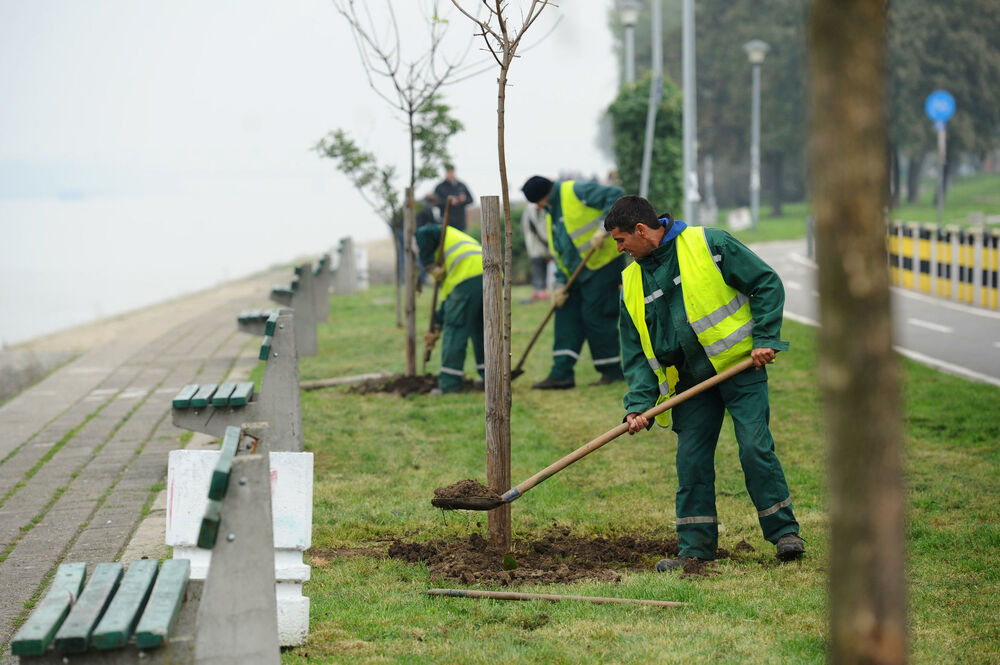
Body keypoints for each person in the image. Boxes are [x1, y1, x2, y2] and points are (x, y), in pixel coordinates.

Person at [604, 194, 805, 569]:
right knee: (691, 462)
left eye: (620, 240)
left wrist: (764, 338)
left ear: (641, 229)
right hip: (690, 385)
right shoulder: (631, 282)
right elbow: (637, 354)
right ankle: (695, 550)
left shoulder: (709, 244)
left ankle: (784, 534)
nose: (619, 248)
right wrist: (638, 405)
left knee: (754, 447)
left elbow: (765, 283)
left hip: (740, 368)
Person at [520, 175, 625, 389]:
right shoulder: (551, 213)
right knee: (565, 311)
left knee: (596, 316)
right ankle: (561, 373)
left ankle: (611, 371)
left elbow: (617, 196)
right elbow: (560, 254)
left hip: (602, 266)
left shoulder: (575, 191)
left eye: (536, 204)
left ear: (541, 199)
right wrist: (559, 286)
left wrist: (602, 228)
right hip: (574, 274)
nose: (538, 208)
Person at [416, 222, 485, 394]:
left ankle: (449, 383)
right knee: (482, 330)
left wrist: (428, 264)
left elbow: (423, 231)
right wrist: (438, 324)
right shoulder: (454, 241)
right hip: (491, 273)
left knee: (455, 329)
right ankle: (490, 377)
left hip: (468, 276)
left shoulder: (435, 235)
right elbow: (448, 301)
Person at [520, 203, 550, 303]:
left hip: (538, 246)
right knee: (538, 268)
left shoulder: (531, 208)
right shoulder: (532, 209)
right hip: (537, 245)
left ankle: (540, 290)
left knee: (540, 268)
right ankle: (539, 291)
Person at [433, 166, 473, 232]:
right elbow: (434, 202)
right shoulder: (440, 187)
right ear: (446, 173)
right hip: (446, 222)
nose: (451, 174)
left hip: (460, 223)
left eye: (452, 172)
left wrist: (463, 200)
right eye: (449, 172)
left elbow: (471, 200)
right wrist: (448, 202)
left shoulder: (462, 185)